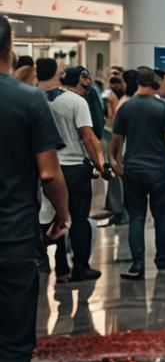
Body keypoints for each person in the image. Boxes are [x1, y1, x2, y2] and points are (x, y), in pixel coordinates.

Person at [0, 15, 69, 362]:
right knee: (9, 355)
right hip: (11, 243)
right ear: (10, 48)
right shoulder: (28, 101)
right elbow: (49, 173)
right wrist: (63, 216)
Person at [110, 67, 165, 280]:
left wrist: (115, 161)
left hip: (133, 170)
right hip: (158, 169)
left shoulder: (126, 108)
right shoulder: (163, 107)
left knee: (136, 217)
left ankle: (137, 264)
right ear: (155, 84)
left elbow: (117, 140)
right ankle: (162, 259)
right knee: (161, 216)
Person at [38, 63, 104, 284]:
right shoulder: (77, 102)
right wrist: (100, 165)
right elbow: (88, 136)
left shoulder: (38, 100)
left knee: (53, 216)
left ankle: (57, 266)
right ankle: (80, 267)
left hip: (46, 167)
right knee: (78, 219)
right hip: (75, 168)